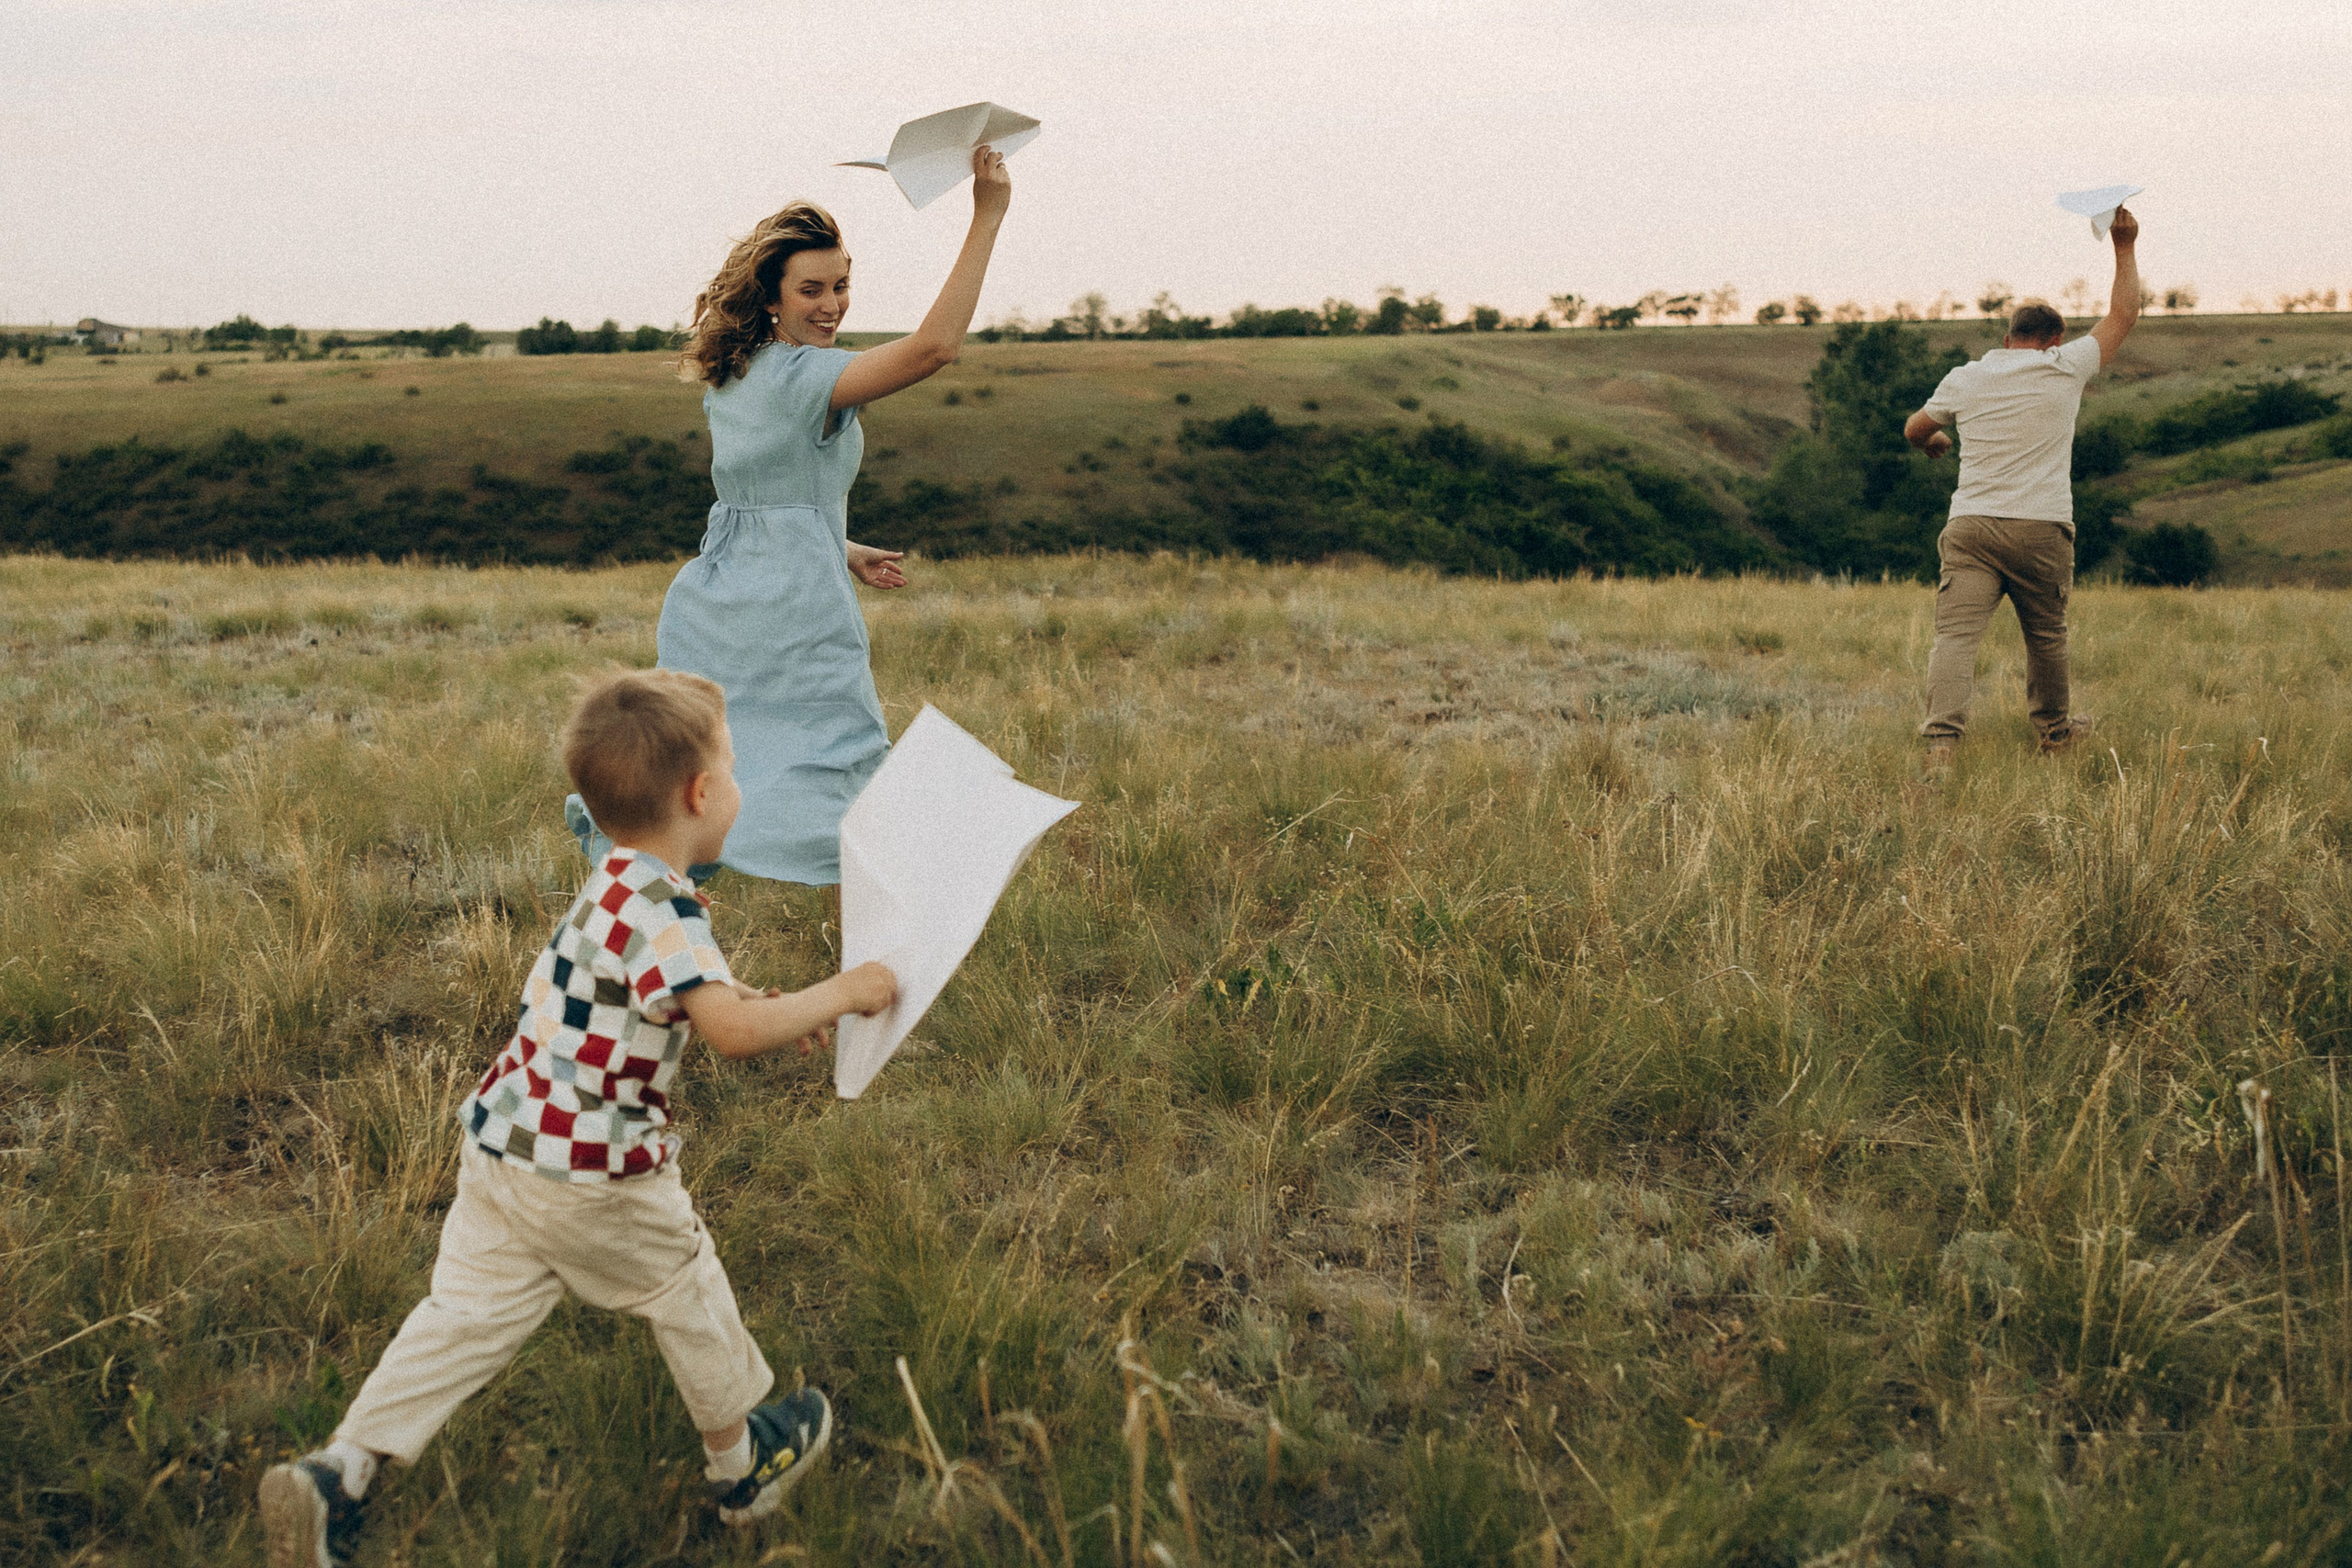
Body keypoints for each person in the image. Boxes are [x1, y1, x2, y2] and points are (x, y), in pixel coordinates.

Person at [262, 670, 898, 1565]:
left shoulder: (614, 878)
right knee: (684, 1284)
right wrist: (849, 991)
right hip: (593, 1171)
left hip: (502, 1141)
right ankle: (744, 1466)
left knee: (464, 1314)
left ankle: (341, 1470)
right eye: (734, 768)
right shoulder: (667, 906)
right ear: (700, 794)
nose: (739, 786)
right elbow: (730, 1033)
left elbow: (671, 993)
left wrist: (747, 993)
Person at [567, 143, 1014, 885]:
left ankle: (655, 890)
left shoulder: (735, 372)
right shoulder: (808, 377)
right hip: (793, 612)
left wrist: (844, 544)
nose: (833, 304)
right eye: (812, 289)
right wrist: (988, 213)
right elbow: (936, 347)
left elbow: (761, 492)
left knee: (711, 766)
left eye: (841, 285)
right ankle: (893, 918)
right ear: (771, 297)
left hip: (719, 601)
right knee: (844, 770)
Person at [1903, 206, 2142, 768]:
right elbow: (2124, 314)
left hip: (1971, 526)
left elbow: (1917, 428)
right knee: (2046, 636)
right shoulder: (2066, 366)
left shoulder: (1968, 376)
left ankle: (1940, 745)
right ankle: (2055, 734)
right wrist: (2124, 244)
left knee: (1956, 637)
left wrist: (1936, 444)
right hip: (2040, 525)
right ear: (2054, 339)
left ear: (2008, 338)